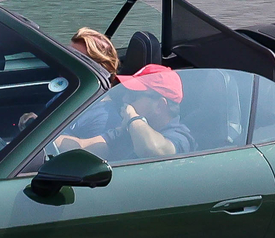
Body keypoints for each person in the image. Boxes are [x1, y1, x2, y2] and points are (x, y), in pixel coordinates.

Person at [53, 28, 187, 161]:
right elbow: (82, 148)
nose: (125, 99)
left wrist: (133, 118)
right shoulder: (127, 130)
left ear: (159, 106)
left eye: (133, 95)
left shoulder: (180, 137)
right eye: (127, 93)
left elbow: (153, 150)